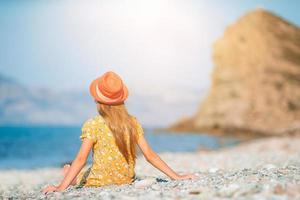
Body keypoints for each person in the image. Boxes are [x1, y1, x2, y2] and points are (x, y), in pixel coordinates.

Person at [42, 71, 198, 194]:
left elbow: (81, 158)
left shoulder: (93, 124)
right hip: (125, 179)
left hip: (99, 181)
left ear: (98, 101)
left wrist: (60, 188)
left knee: (76, 171)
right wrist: (177, 177)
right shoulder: (132, 122)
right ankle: (74, 177)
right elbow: (150, 155)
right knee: (82, 171)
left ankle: (72, 178)